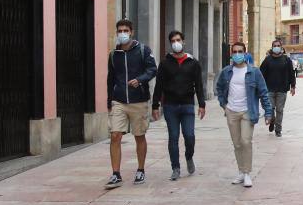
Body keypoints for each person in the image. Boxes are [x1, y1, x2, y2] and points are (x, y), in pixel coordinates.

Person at [105, 19, 157, 189]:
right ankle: (115, 174)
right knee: (115, 135)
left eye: (125, 30)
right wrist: (109, 101)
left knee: (139, 136)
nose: (122, 33)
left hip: (138, 101)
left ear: (132, 32)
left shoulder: (143, 50)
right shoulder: (114, 54)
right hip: (118, 100)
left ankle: (141, 169)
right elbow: (110, 79)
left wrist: (140, 80)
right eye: (119, 30)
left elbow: (152, 69)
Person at [216, 42, 273, 187]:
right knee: (237, 143)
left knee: (246, 141)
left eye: (239, 51)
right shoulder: (226, 71)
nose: (237, 54)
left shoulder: (254, 72)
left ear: (245, 53)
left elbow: (263, 92)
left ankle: (247, 173)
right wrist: (224, 105)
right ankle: (241, 172)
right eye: (234, 52)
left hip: (248, 111)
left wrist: (268, 112)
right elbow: (219, 87)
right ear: (231, 54)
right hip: (231, 112)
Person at [151, 30, 206, 181]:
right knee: (173, 137)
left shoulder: (193, 63)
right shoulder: (165, 63)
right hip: (170, 106)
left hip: (188, 105)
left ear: (183, 42)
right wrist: (155, 105)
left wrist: (202, 104)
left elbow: (199, 85)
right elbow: (159, 85)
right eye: (173, 41)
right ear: (171, 43)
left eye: (178, 40)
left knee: (189, 135)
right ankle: (175, 168)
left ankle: (189, 156)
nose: (176, 43)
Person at [259, 38, 296, 137]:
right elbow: (260, 73)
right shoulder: (267, 60)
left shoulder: (287, 60)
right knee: (269, 109)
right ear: (272, 48)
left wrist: (293, 86)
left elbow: (292, 74)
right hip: (269, 89)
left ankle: (278, 129)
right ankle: (272, 120)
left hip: (282, 89)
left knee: (279, 110)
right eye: (274, 46)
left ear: (281, 47)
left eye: (278, 46)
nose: (276, 47)